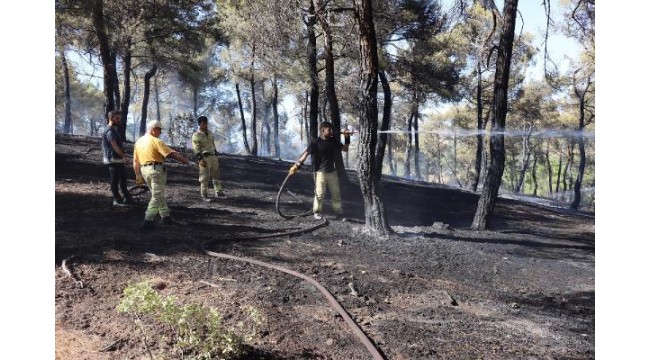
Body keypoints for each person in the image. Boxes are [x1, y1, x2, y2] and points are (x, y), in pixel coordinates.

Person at [133, 120, 195, 229]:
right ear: (153, 130)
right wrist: (187, 162)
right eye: (159, 130)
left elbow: (135, 161)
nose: (160, 132)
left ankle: (166, 217)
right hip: (156, 170)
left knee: (158, 194)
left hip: (144, 171)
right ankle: (148, 220)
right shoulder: (156, 141)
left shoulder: (138, 142)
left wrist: (137, 175)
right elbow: (171, 154)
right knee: (156, 196)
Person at [289, 121, 350, 220]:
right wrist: (296, 166)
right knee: (319, 194)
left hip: (332, 172)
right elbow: (305, 154)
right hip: (320, 172)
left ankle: (338, 213)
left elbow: (345, 149)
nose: (331, 132)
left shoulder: (333, 141)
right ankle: (317, 212)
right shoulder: (315, 142)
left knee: (336, 194)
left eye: (331, 130)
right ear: (323, 130)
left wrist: (347, 138)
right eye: (329, 130)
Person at [102, 110, 134, 207]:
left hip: (117, 159)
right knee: (115, 180)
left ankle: (127, 198)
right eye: (117, 118)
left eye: (119, 118)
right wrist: (124, 157)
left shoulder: (113, 130)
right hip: (112, 159)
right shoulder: (109, 131)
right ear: (110, 119)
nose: (119, 120)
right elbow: (115, 147)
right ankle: (116, 200)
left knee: (123, 179)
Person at [192, 115, 224, 202]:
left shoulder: (210, 133)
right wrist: (199, 158)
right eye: (203, 123)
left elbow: (213, 144)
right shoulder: (196, 135)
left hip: (213, 156)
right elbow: (196, 147)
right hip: (204, 157)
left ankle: (218, 192)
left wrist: (216, 154)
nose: (205, 125)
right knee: (204, 176)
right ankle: (204, 195)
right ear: (199, 124)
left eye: (206, 123)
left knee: (216, 174)